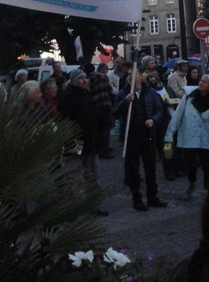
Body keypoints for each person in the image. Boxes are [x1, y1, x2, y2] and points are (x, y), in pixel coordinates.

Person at [57, 69, 110, 217]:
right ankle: (72, 209)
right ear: (74, 80)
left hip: (90, 142)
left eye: (85, 77)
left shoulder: (87, 95)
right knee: (73, 177)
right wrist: (69, 144)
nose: (84, 80)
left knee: (93, 176)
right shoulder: (67, 97)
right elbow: (64, 121)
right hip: (77, 142)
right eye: (80, 78)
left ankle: (93, 206)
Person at [114, 71, 168, 211]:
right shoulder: (122, 93)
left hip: (147, 134)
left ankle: (152, 196)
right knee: (133, 169)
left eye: (135, 73)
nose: (131, 75)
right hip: (131, 135)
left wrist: (153, 120)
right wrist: (126, 101)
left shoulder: (150, 92)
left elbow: (159, 110)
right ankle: (137, 198)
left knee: (150, 167)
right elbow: (115, 113)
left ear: (140, 76)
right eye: (130, 73)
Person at [166, 74, 209, 200]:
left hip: (204, 137)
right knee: (191, 165)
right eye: (201, 80)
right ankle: (191, 183)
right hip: (188, 136)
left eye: (205, 82)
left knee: (206, 165)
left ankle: (208, 188)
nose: (201, 83)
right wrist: (169, 134)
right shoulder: (187, 99)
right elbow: (177, 117)